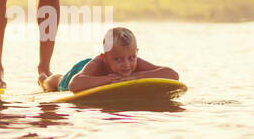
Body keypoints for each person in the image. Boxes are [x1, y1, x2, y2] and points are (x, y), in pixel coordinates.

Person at [41, 26, 180, 92]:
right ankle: (43, 78)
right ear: (105, 58)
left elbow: (173, 75)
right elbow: (74, 84)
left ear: (136, 53)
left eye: (131, 58)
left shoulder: (134, 64)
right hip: (79, 72)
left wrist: (136, 77)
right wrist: (109, 80)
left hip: (92, 73)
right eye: (118, 59)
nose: (126, 65)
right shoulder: (99, 63)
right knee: (55, 81)